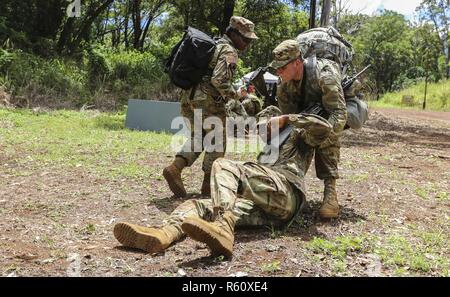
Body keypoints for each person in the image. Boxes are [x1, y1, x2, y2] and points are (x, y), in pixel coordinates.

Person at [114, 113, 332, 258]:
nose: (261, 132)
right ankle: (163, 235)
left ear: (277, 123)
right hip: (267, 211)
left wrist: (288, 118)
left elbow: (325, 128)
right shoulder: (267, 151)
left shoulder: (299, 137)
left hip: (287, 193)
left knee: (223, 165)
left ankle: (223, 227)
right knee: (198, 206)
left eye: (265, 126)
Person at [163, 16, 258, 198]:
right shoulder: (229, 51)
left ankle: (175, 168)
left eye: (249, 40)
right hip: (208, 101)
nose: (247, 44)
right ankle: (208, 186)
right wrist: (236, 94)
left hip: (189, 97)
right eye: (245, 39)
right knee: (217, 142)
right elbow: (219, 80)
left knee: (200, 136)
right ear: (233, 34)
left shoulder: (214, 45)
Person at [269, 39, 348, 219]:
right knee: (290, 142)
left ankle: (330, 193)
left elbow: (339, 114)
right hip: (304, 119)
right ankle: (290, 187)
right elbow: (289, 119)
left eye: (282, 67)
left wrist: (318, 138)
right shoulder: (283, 85)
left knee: (327, 133)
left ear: (297, 62)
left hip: (329, 115)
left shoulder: (325, 75)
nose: (278, 72)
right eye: (277, 68)